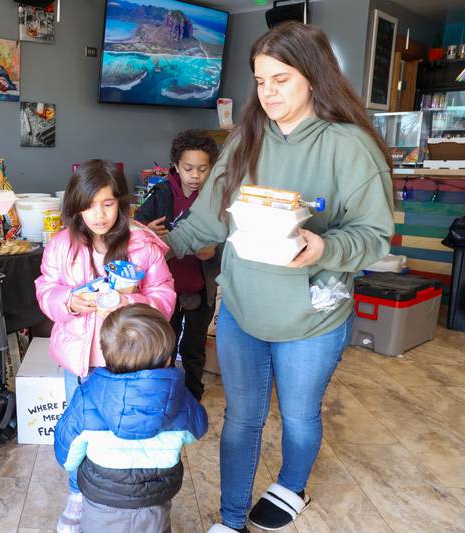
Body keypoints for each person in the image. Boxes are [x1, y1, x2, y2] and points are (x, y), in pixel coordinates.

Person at [164, 22, 394, 533]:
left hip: (311, 317)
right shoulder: (246, 139)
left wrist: (325, 246)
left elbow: (375, 236)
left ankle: (291, 486)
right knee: (242, 418)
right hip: (245, 310)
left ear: (312, 77)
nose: (268, 93)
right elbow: (206, 220)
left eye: (281, 79)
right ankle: (229, 519)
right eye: (261, 80)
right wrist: (152, 247)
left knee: (299, 415)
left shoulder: (349, 146)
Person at [35, 159, 176, 533]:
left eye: (109, 203)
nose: (99, 214)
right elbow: (46, 288)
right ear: (75, 205)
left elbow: (164, 293)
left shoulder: (142, 243)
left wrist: (131, 304)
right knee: (81, 433)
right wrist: (67, 302)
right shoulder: (62, 245)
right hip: (81, 363)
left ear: (122, 203)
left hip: (131, 361)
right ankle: (78, 496)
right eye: (89, 204)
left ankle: (130, 500)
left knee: (126, 434)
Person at [54, 304, 208, 533]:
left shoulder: (86, 398)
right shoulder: (181, 398)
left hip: (100, 501)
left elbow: (66, 455)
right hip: (155, 500)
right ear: (167, 359)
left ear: (105, 355)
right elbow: (197, 429)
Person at [134, 129, 222, 401]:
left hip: (200, 290)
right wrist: (147, 230)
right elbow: (135, 231)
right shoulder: (160, 194)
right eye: (188, 168)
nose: (195, 176)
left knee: (195, 347)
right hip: (166, 290)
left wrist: (215, 252)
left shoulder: (216, 200)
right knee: (165, 345)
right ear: (175, 166)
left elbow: (227, 242)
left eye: (203, 169)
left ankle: (193, 394)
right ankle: (166, 393)